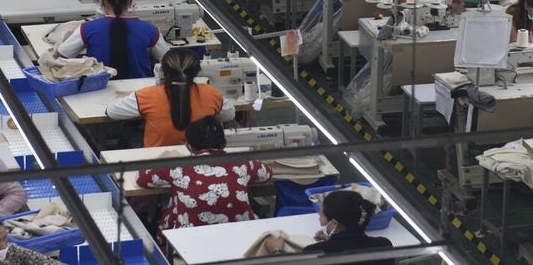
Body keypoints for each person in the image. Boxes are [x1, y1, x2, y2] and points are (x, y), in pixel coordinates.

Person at [138, 116, 271, 250]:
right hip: (242, 240)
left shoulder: (178, 167)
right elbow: (266, 174)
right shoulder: (243, 162)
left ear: (189, 146)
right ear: (224, 143)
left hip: (190, 244)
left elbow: (142, 178)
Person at [106, 49, 235, 146]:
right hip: (197, 162)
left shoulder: (147, 95)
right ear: (197, 72)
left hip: (159, 164)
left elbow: (111, 112)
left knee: (129, 131)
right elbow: (229, 115)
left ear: (163, 72)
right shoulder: (211, 93)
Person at [57, 0, 170, 78]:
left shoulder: (87, 29)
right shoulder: (150, 30)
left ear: (101, 3)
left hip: (99, 87)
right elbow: (168, 60)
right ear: (130, 1)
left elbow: (63, 54)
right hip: (139, 90)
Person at [263, 190, 392, 262]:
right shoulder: (383, 245)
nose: (319, 217)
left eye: (322, 214)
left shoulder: (314, 253)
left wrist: (276, 251)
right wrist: (333, 243)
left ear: (334, 223)